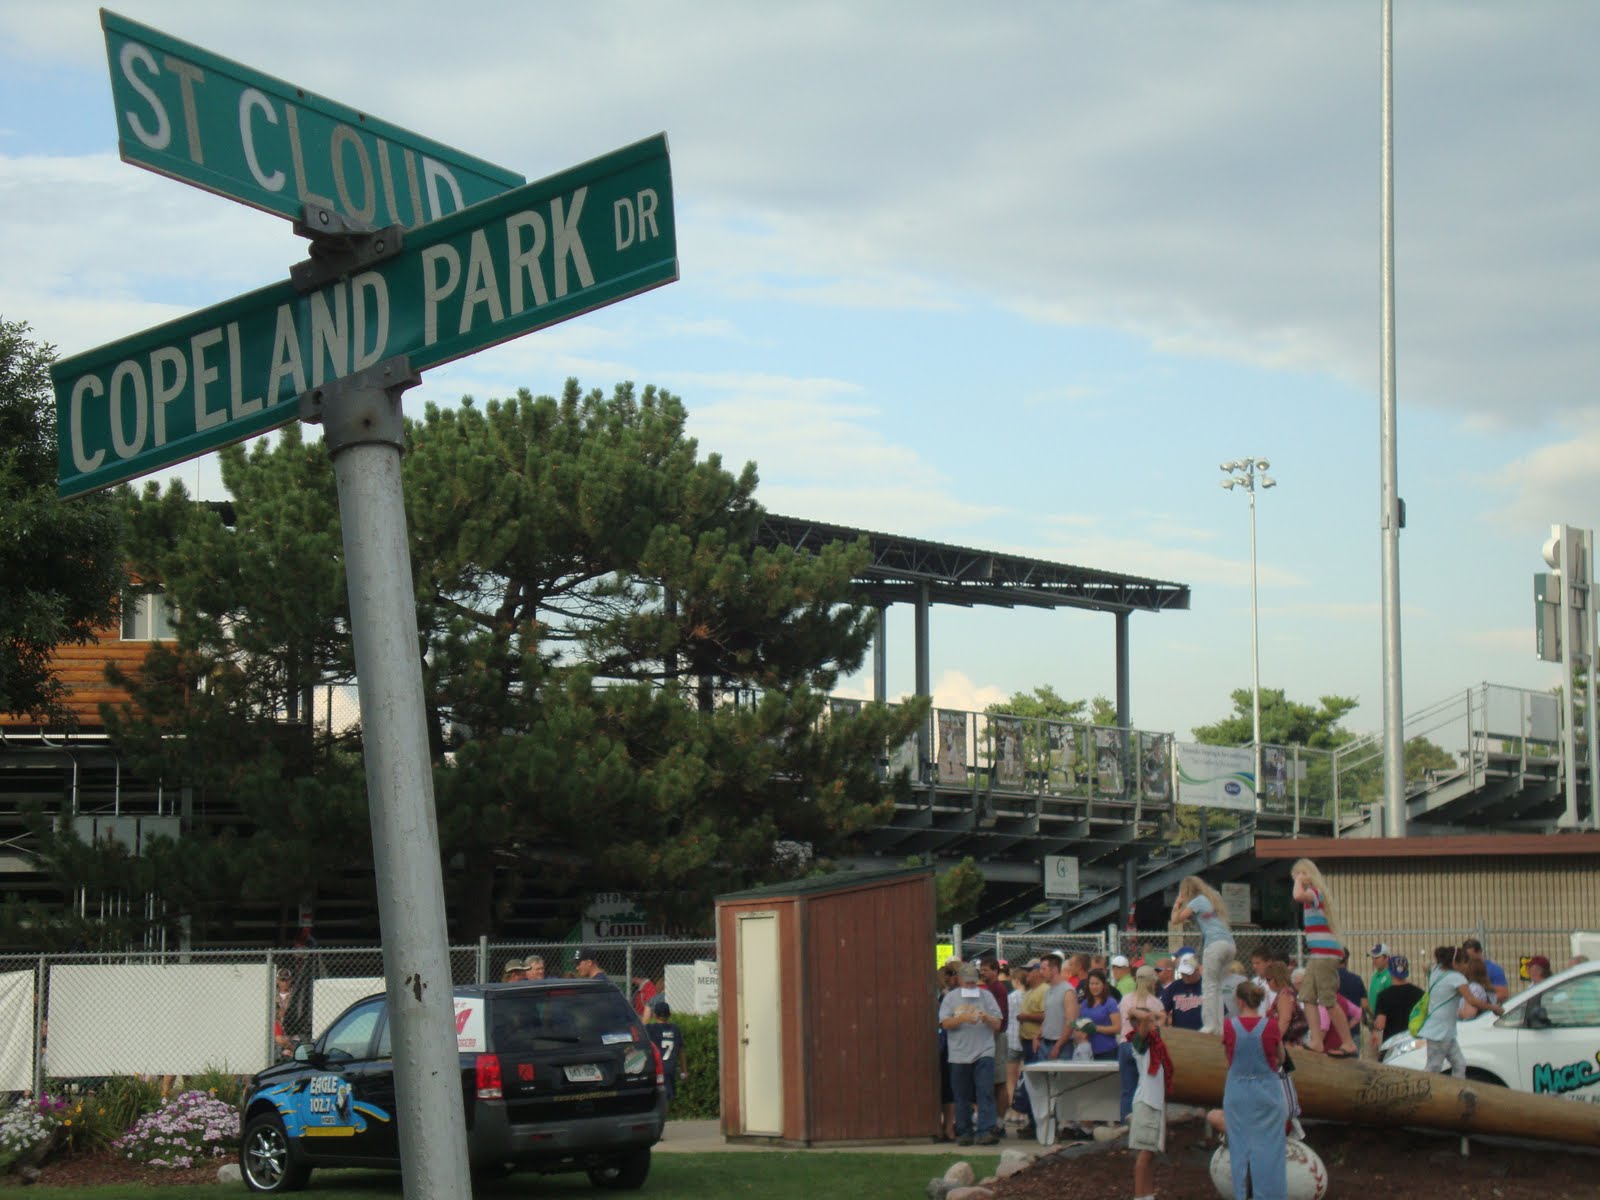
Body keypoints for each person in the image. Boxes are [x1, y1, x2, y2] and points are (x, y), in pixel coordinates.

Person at [1220, 980, 1287, 1200]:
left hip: (1238, 1092)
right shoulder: (1271, 1025)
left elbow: (1229, 1058)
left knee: (1240, 1149)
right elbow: (1281, 1057)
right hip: (1267, 1091)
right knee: (1270, 1151)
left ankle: (1243, 1195)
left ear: (1239, 1001)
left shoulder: (1230, 1026)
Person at [1289, 859, 1357, 1057]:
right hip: (1317, 954)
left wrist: (1299, 881)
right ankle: (1317, 1040)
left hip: (1326, 955)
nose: (1296, 881)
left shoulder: (1315, 894)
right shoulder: (1313, 897)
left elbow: (1298, 895)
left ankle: (1348, 1042)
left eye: (1298, 876)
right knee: (1307, 995)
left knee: (1328, 999)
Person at [938, 962, 1003, 1146]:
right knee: (961, 1094)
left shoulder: (986, 996)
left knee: (985, 1090)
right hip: (959, 1053)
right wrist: (960, 1019)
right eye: (967, 983)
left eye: (973, 983)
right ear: (959, 980)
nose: (970, 986)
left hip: (984, 1049)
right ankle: (964, 1131)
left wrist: (987, 1018)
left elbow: (998, 1024)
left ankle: (986, 1130)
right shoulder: (951, 998)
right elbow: (944, 1024)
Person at [1419, 945, 1502, 1078]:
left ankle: (1457, 1093)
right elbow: (1472, 1000)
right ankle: (1423, 1094)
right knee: (1433, 1068)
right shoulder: (1457, 979)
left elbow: (1425, 966)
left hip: (1446, 1032)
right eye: (1464, 962)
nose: (1466, 966)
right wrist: (1494, 1008)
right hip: (1440, 1032)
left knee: (1459, 1064)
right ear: (1454, 963)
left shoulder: (1435, 971)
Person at [1171, 875, 1237, 1036]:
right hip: (1229, 944)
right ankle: (1219, 1027)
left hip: (1214, 945)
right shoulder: (1214, 897)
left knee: (1208, 986)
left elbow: (1175, 920)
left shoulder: (1197, 901)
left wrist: (1177, 903)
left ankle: (1209, 1025)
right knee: (1218, 987)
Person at [1126, 1006, 1174, 1200]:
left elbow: (1162, 1017)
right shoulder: (1140, 1043)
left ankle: (1148, 1195)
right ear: (1141, 1026)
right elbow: (1146, 1017)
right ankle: (1139, 1196)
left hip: (1155, 1104)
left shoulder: (1155, 1043)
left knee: (1151, 1153)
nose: (1155, 1024)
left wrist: (1153, 1017)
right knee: (1144, 1155)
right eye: (1150, 1023)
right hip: (1146, 1102)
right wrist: (1142, 1014)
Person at [1118, 965, 1166, 1122]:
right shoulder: (1155, 1003)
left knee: (1127, 1089)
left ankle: (1126, 1125)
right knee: (1145, 1088)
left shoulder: (1125, 999)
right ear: (1152, 982)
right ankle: (1144, 1121)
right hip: (1144, 1048)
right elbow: (1161, 1027)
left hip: (1125, 1044)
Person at [978, 955, 1012, 1128]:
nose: (982, 973)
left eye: (986, 970)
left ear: (995, 971)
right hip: (988, 1037)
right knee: (990, 1081)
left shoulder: (998, 989)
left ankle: (999, 1120)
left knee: (999, 1081)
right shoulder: (987, 988)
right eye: (981, 970)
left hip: (997, 1036)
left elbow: (1000, 1016)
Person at [1371, 955, 1422, 1052]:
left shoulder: (1384, 996)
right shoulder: (1419, 993)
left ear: (1390, 972)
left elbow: (1380, 1024)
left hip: (1392, 1043)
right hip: (1413, 1041)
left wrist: (1373, 1024)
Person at [1037, 952, 1079, 1062]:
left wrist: (1058, 1046)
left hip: (1062, 1046)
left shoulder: (1068, 991)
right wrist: (1037, 1037)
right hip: (1045, 1043)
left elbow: (1071, 1022)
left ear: (1054, 969)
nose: (1041, 972)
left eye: (1043, 969)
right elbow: (1047, 1017)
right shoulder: (1048, 991)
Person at [1002, 961, 1029, 1127]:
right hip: (1025, 1039)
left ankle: (1012, 1110)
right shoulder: (1030, 996)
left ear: (1016, 981)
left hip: (1011, 1039)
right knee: (1025, 1077)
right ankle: (1023, 1112)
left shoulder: (1010, 998)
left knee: (1010, 1079)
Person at [646, 999, 686, 1100]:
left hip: (656, 1068)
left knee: (656, 1095)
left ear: (654, 1015)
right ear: (670, 1014)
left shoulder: (650, 1028)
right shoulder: (675, 1029)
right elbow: (681, 1052)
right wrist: (684, 1070)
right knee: (668, 1096)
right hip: (670, 1068)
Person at [1080, 969, 1122, 1062]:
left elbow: (1117, 1028)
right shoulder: (1084, 1003)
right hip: (1087, 1050)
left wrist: (1096, 1028)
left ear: (1103, 985)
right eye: (1091, 984)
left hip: (1107, 1051)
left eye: (1097, 983)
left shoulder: (1110, 1002)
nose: (1094, 987)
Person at [1161, 952, 1205, 1031]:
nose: (1185, 976)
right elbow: (1162, 1009)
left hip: (1203, 1034)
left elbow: (1221, 1013)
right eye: (1183, 973)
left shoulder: (1207, 986)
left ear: (1197, 970)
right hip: (1180, 1035)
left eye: (1188, 973)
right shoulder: (1175, 987)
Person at [1461, 938, 1510, 1003]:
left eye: (1471, 956)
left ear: (1480, 952)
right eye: (1467, 957)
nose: (1469, 960)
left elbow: (1503, 994)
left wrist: (1482, 1004)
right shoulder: (1463, 969)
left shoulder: (1494, 970)